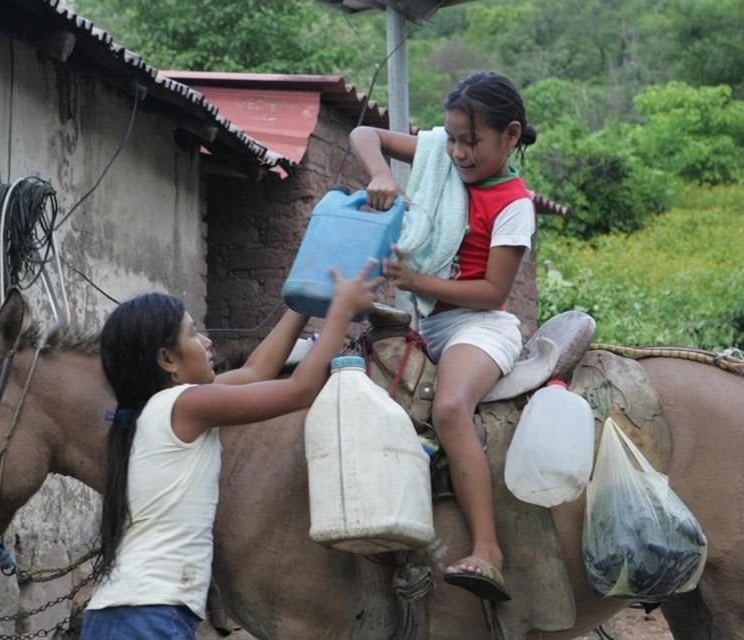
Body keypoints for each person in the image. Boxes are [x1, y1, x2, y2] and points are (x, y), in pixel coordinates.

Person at [81, 261, 382, 639]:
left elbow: (257, 371)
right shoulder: (185, 405)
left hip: (127, 613)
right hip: (147, 616)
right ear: (167, 360)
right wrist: (341, 310)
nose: (207, 343)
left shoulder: (161, 410)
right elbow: (300, 389)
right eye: (194, 334)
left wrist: (301, 302)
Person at [349, 71, 537, 602]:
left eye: (471, 141)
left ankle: (488, 550)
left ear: (511, 135)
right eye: (451, 138)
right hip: (428, 323)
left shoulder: (514, 204)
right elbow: (364, 136)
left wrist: (414, 281)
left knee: (451, 407)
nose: (456, 152)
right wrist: (381, 174)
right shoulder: (437, 156)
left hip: (479, 326)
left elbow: (492, 289)